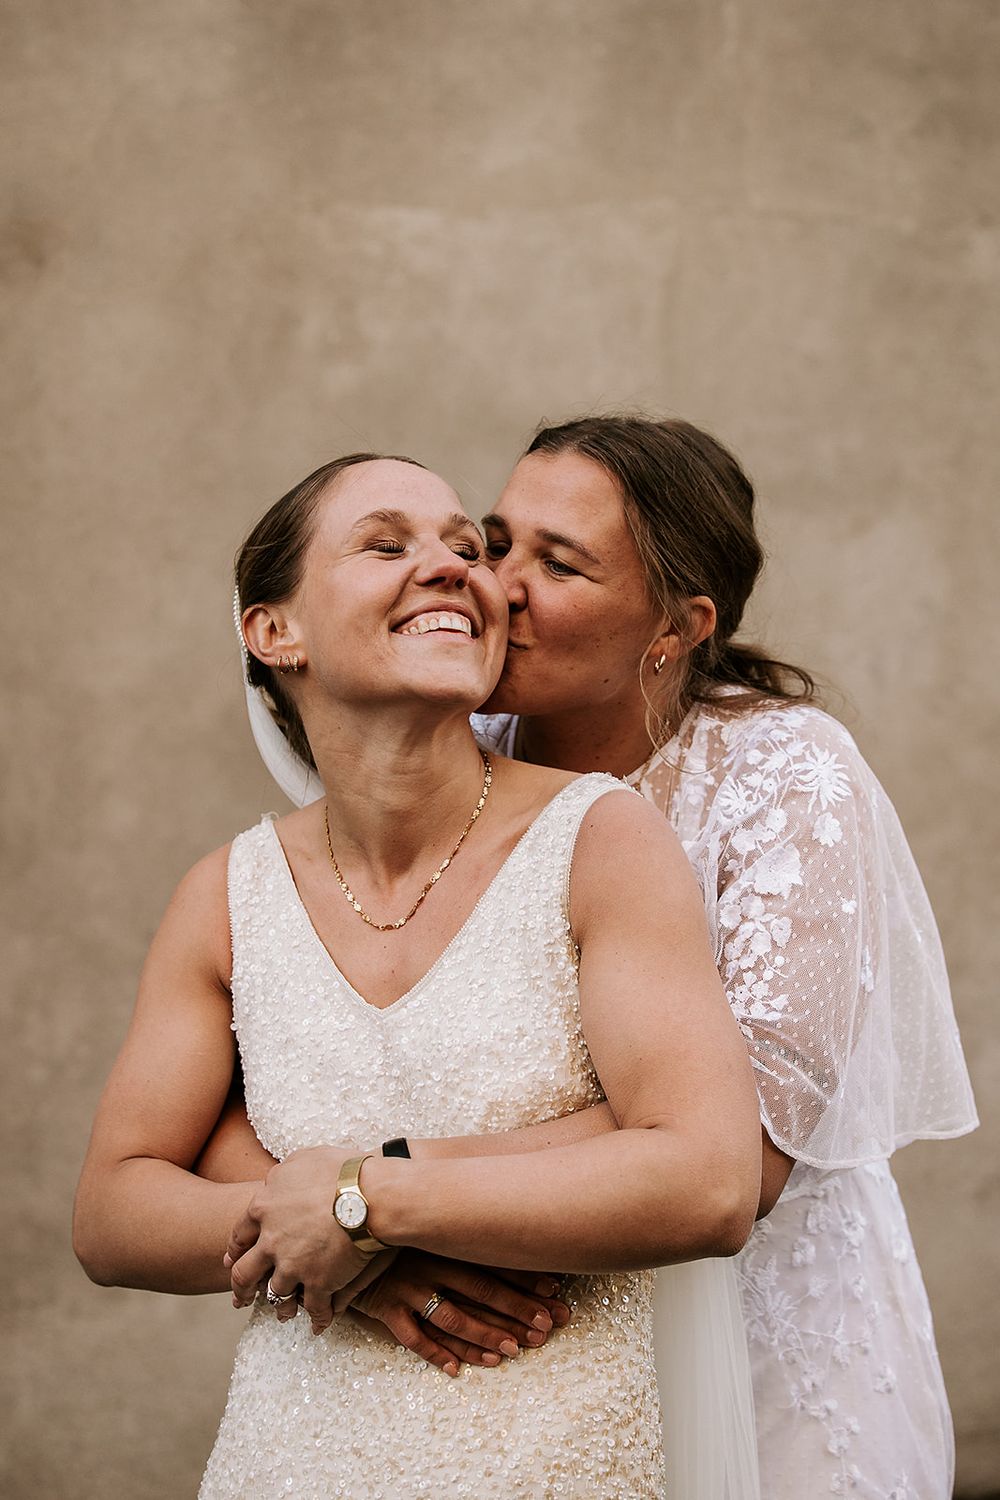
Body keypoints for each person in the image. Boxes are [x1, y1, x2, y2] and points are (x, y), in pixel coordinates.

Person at [215, 418, 978, 1499]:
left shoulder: (783, 775)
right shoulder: (440, 748)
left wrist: (369, 1194)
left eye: (560, 565)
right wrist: (356, 1229)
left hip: (759, 1334)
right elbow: (289, 1077)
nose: (495, 585)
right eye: (495, 543)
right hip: (515, 1345)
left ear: (674, 627)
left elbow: (747, 1153)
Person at [73, 452, 763, 1498]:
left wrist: (366, 1205)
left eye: (464, 547)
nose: (453, 568)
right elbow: (113, 1210)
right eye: (386, 545)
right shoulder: (226, 894)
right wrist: (347, 1258)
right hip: (288, 1462)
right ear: (274, 631)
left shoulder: (599, 841)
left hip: (551, 1463)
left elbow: (708, 1181)